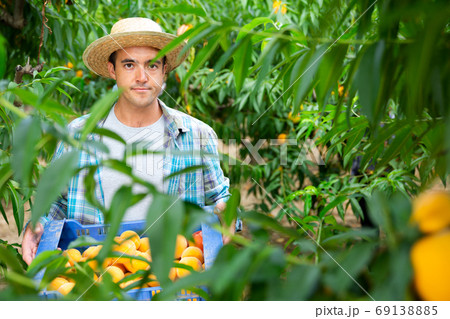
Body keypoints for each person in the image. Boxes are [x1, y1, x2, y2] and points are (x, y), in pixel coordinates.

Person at [22, 17, 236, 265]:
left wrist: (227, 216)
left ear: (165, 70)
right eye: (129, 65)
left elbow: (219, 198)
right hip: (97, 280)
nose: (142, 77)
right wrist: (37, 225)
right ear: (113, 70)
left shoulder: (196, 135)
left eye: (152, 65)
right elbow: (55, 204)